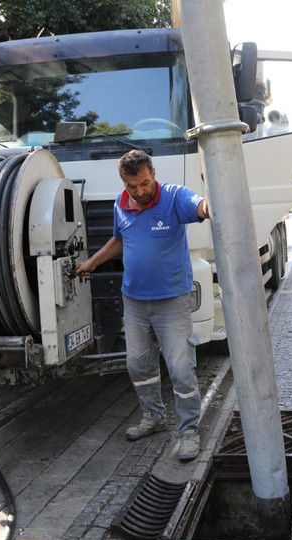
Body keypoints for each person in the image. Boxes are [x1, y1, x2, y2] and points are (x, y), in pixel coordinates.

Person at [75, 149, 210, 461]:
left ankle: (189, 430)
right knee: (137, 363)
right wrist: (92, 262)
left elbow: (202, 208)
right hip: (134, 300)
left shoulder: (174, 197)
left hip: (172, 300)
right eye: (132, 187)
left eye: (145, 184)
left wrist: (212, 192)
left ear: (153, 174)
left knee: (179, 367)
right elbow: (120, 239)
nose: (140, 192)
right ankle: (154, 416)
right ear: (124, 183)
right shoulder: (121, 204)